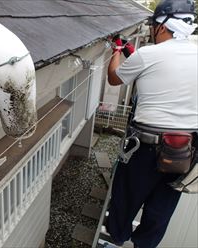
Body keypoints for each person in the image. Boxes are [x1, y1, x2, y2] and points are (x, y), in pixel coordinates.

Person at [105, 0, 198, 247]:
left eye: (153, 25)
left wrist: (116, 51)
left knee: (124, 201)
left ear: (163, 26)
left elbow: (114, 78)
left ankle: (116, 237)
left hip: (145, 150)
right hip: (185, 151)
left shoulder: (148, 54)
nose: (151, 30)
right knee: (160, 210)